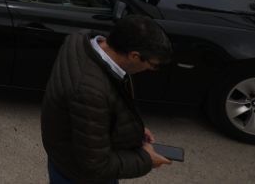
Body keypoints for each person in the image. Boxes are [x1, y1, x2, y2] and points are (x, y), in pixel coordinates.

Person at [41, 14, 173, 183]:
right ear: (134, 56)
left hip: (66, 156)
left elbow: (98, 112)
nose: (152, 69)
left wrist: (130, 127)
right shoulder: (90, 92)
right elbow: (97, 166)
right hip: (78, 175)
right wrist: (147, 160)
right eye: (153, 65)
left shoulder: (81, 41)